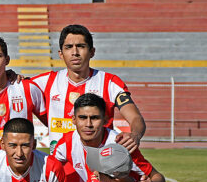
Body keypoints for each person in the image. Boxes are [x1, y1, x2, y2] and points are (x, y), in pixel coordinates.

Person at [30, 24, 146, 152]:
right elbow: (13, 87)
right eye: (68, 47)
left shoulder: (109, 83)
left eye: (81, 46)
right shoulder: (44, 82)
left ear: (92, 52)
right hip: (61, 166)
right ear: (61, 54)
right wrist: (11, 75)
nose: (75, 52)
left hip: (100, 165)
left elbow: (135, 117)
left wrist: (135, 135)